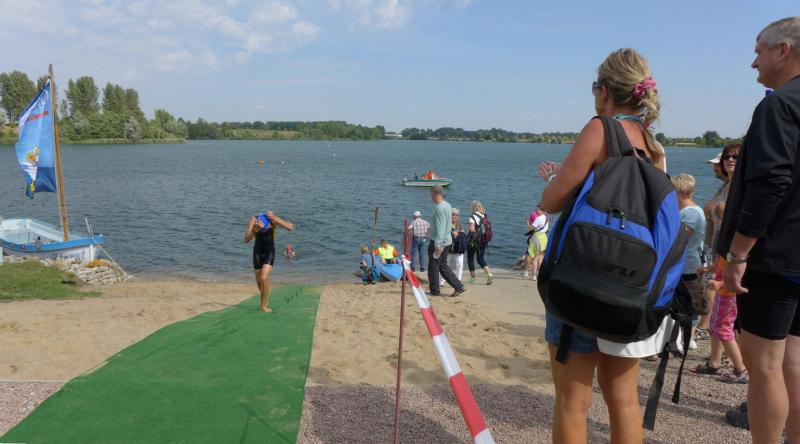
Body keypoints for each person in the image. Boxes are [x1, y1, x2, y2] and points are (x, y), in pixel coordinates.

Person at [537, 48, 666, 443]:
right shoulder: (655, 147)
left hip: (583, 278)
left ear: (605, 91)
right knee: (624, 403)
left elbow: (552, 201)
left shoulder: (600, 129)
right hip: (631, 285)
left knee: (572, 403)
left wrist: (554, 182)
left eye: (596, 87)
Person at [718, 17, 800, 444]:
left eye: (758, 51)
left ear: (783, 51)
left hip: (773, 256)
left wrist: (738, 253)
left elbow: (770, 183)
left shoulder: (778, 106)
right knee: (794, 361)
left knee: (764, 364)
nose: (754, 63)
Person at [670, 174, 705, 352]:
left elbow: (680, 238)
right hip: (687, 262)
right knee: (687, 300)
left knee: (685, 301)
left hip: (687, 264)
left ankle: (684, 338)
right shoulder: (690, 210)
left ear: (680, 191)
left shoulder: (690, 212)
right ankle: (686, 338)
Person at [244, 210, 294, 313]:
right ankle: (265, 300)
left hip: (269, 252)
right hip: (257, 253)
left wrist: (275, 218)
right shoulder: (254, 220)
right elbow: (246, 240)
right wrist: (255, 230)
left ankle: (263, 305)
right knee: (259, 282)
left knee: (264, 278)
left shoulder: (271, 219)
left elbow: (290, 227)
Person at [428, 185, 466, 297]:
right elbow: (447, 224)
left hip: (439, 241)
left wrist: (438, 245)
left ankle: (435, 291)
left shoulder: (439, 208)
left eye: (431, 194)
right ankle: (458, 286)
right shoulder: (447, 205)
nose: (430, 196)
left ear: (435, 194)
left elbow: (440, 227)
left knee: (433, 266)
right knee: (442, 265)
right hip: (447, 240)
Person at [466, 200, 494, 285]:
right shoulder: (484, 216)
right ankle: (489, 273)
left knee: (470, 258)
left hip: (474, 240)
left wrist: (469, 227)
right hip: (484, 240)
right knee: (480, 258)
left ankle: (473, 279)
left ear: (473, 207)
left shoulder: (472, 217)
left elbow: (471, 229)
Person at [524, 206, 548, 280]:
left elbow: (531, 228)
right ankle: (538, 274)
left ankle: (533, 276)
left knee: (534, 257)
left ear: (542, 210)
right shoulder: (546, 218)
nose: (536, 211)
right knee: (541, 257)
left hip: (537, 237)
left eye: (537, 210)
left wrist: (527, 223)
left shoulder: (538, 218)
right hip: (544, 237)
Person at [448, 208, 467, 282]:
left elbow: (463, 236)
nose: (454, 216)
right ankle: (441, 281)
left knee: (459, 264)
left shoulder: (460, 225)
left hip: (458, 248)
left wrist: (458, 234)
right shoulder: (446, 224)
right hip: (448, 247)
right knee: (445, 265)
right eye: (453, 214)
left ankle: (458, 280)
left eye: (456, 215)